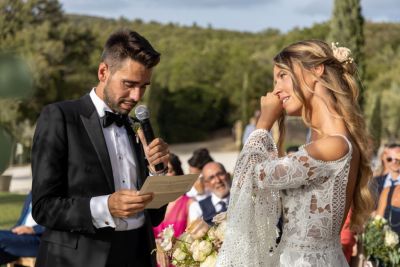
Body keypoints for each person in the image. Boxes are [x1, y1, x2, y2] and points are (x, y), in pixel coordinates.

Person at [217, 40, 375, 266]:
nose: (275, 90)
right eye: (275, 80)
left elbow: (247, 177)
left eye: (283, 75)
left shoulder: (331, 146)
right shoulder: (325, 141)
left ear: (316, 71)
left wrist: (263, 122)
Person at [31, 29, 169, 267]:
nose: (136, 96)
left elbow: (155, 216)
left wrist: (157, 173)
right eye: (129, 84)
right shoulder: (59, 117)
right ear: (103, 71)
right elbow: (44, 207)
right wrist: (105, 207)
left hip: (138, 254)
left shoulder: (134, 126)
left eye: (144, 86)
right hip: (79, 259)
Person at [153, 153, 191, 267]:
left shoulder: (189, 203)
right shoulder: (152, 204)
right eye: (159, 172)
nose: (163, 176)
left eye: (168, 171)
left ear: (177, 174)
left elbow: (192, 240)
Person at [0, 192, 44, 265]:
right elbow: (22, 220)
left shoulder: (56, 193)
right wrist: (12, 231)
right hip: (19, 237)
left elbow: (58, 222)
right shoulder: (32, 193)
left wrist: (33, 229)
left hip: (38, 239)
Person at [376, 151, 400, 234]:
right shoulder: (387, 191)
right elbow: (377, 223)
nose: (394, 162)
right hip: (389, 244)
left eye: (398, 160)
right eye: (390, 159)